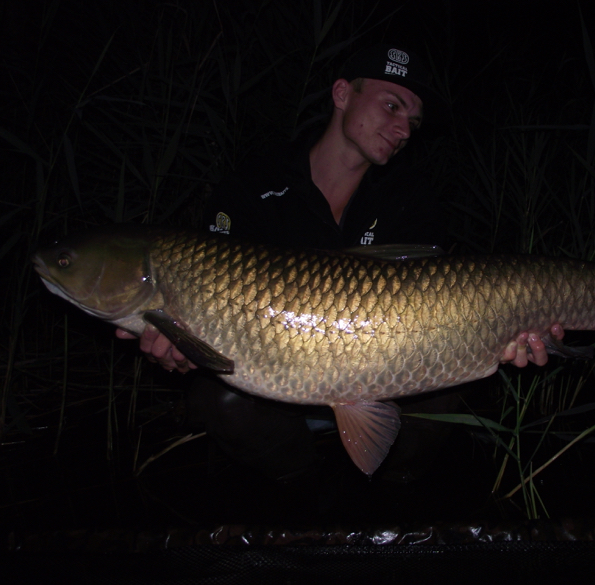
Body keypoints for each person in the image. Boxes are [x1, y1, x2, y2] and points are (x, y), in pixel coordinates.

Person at [116, 44, 563, 481]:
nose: (404, 129)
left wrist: (506, 334)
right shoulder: (254, 186)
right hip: (274, 401)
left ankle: (391, 504)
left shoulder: (410, 200)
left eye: (413, 120)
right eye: (392, 106)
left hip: (391, 379)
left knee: (447, 399)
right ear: (343, 94)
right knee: (218, 400)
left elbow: (443, 308)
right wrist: (179, 355)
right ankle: (305, 492)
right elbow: (205, 322)